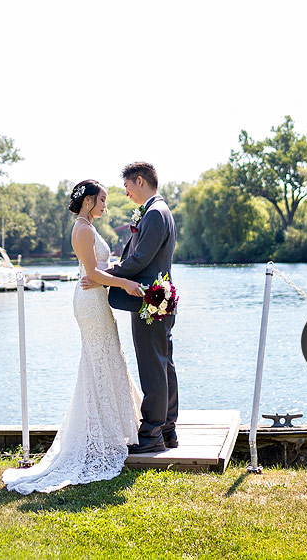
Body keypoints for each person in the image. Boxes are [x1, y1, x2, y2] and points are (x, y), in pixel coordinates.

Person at [2, 179, 144, 494]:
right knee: (98, 362)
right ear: (89, 200)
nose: (106, 205)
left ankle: (112, 430)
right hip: (90, 304)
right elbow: (91, 273)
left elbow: (98, 268)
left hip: (97, 300)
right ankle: (100, 436)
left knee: (108, 358)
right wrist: (126, 285)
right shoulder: (81, 229)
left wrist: (115, 272)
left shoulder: (88, 227)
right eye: (103, 199)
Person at [85, 161, 178, 453]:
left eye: (127, 187)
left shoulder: (154, 213)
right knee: (163, 365)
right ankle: (166, 431)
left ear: (139, 181)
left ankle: (151, 435)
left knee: (153, 367)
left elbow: (139, 261)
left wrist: (105, 277)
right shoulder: (158, 211)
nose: (126, 194)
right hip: (158, 297)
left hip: (149, 300)